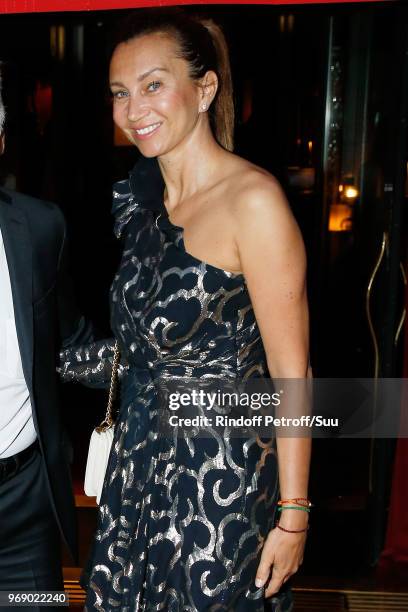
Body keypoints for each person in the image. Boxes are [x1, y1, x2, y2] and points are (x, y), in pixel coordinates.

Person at [60, 7, 311, 611]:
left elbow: (292, 375)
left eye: (153, 84)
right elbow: (142, 351)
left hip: (219, 479)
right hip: (137, 469)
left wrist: (294, 516)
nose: (132, 109)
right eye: (120, 93)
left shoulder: (253, 201)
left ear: (205, 88)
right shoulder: (142, 204)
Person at [0, 68, 92, 604]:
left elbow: (69, 342)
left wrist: (163, 359)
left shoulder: (39, 226)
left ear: (2, 140)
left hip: (25, 503)